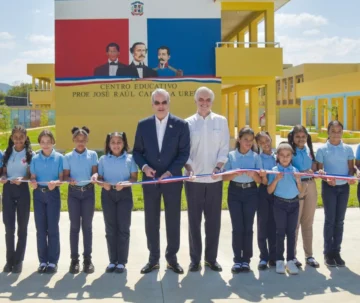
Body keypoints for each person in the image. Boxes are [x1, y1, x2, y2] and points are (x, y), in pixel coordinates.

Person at [133, 88, 190, 274]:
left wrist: (171, 172)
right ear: (152, 105)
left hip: (171, 181)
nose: (160, 106)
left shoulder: (180, 125)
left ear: (169, 103)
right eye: (157, 103)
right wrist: (144, 168)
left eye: (164, 102)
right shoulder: (143, 125)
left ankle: (172, 258)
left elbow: (183, 153)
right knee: (151, 220)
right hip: (150, 181)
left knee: (173, 219)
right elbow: (137, 152)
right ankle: (153, 258)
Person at [184, 87, 229, 272]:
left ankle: (211, 259)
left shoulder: (221, 121)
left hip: (214, 180)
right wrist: (188, 168)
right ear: (195, 101)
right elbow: (184, 152)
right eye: (201, 99)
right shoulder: (186, 123)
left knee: (213, 221)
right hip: (193, 181)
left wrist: (218, 168)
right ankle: (195, 260)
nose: (204, 102)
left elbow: (225, 148)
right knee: (194, 221)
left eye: (207, 99)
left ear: (212, 101)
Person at [94, 132, 137, 274]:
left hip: (124, 194)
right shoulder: (103, 159)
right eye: (113, 142)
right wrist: (103, 184)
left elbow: (134, 179)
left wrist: (124, 184)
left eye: (119, 142)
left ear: (124, 143)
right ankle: (113, 261)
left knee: (123, 228)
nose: (116, 145)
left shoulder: (130, 159)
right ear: (108, 144)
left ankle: (122, 262)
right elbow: (99, 178)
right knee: (110, 229)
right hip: (108, 195)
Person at [316, 120, 356, 267]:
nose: (336, 134)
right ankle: (328, 253)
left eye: (339, 131)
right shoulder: (322, 150)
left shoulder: (347, 149)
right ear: (328, 132)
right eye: (333, 131)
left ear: (342, 132)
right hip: (329, 189)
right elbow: (320, 172)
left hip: (343, 188)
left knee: (339, 222)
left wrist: (351, 177)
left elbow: (351, 169)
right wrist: (326, 178)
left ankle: (336, 252)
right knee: (330, 220)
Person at [222, 127, 262, 273]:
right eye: (245, 140)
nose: (248, 143)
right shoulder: (231, 156)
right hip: (235, 192)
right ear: (239, 140)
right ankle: (237, 260)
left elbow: (261, 180)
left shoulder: (256, 157)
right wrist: (233, 174)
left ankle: (246, 260)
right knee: (237, 227)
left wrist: (253, 175)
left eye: (251, 141)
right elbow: (224, 177)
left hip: (251, 192)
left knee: (248, 227)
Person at [63, 126, 98, 274]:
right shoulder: (68, 157)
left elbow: (95, 173)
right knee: (75, 227)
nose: (80, 142)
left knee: (87, 227)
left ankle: (87, 260)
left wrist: (95, 177)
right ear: (73, 140)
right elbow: (65, 176)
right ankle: (74, 260)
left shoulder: (93, 155)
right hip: (74, 194)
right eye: (77, 140)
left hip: (88, 193)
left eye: (83, 140)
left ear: (87, 140)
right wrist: (68, 179)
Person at [0, 125, 34, 273]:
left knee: (22, 227)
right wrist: (3, 177)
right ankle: (9, 260)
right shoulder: (7, 153)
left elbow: (31, 175)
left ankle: (19, 260)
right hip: (8, 190)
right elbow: (4, 172)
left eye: (21, 137)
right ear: (12, 138)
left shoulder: (30, 155)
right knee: (9, 227)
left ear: (26, 138)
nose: (18, 140)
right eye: (16, 137)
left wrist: (23, 178)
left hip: (22, 190)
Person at [30, 130, 63, 274]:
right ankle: (43, 261)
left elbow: (62, 179)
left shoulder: (59, 158)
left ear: (53, 142)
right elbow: (32, 176)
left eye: (48, 142)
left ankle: (53, 262)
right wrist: (32, 182)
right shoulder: (35, 159)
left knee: (53, 228)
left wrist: (56, 182)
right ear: (39, 143)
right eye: (42, 142)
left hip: (52, 195)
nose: (45, 145)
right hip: (38, 195)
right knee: (41, 230)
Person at [267, 142, 302, 275]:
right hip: (279, 204)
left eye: (288, 155)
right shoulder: (274, 170)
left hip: (294, 204)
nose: (285, 158)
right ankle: (279, 260)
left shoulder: (295, 171)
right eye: (282, 155)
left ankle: (291, 260)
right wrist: (276, 179)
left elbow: (300, 190)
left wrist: (298, 180)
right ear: (278, 156)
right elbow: (270, 191)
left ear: (291, 156)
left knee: (291, 233)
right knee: (280, 232)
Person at [288, 125, 319, 268]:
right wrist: (301, 172)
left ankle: (309, 255)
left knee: (308, 221)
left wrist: (318, 171)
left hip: (311, 185)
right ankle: (291, 256)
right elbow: (287, 168)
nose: (301, 139)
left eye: (303, 136)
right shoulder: (289, 151)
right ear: (293, 138)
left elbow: (315, 168)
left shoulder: (309, 151)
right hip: (297, 187)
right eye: (298, 136)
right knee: (295, 222)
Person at [255, 131, 276, 270]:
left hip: (278, 193)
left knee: (275, 225)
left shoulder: (278, 155)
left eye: (267, 140)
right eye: (261, 143)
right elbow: (259, 178)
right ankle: (263, 257)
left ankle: (274, 257)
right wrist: (263, 178)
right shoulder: (258, 158)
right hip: (263, 192)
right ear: (258, 145)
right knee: (263, 224)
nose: (265, 144)